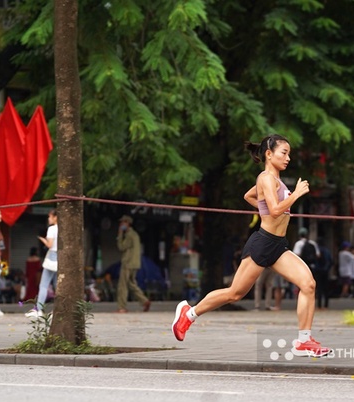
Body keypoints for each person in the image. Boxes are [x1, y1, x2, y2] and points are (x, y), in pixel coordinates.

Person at [171, 134, 333, 357]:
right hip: (262, 244)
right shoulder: (266, 178)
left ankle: (303, 342)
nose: (288, 158)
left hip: (278, 245)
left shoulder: (275, 181)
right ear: (269, 154)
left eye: (289, 154)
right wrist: (294, 195)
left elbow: (249, 196)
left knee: (308, 284)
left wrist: (263, 208)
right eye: (284, 153)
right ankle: (189, 314)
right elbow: (276, 210)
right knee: (235, 294)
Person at [26, 210, 59, 318]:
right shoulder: (65, 229)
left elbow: (50, 244)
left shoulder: (52, 229)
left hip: (51, 257)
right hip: (61, 257)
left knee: (44, 285)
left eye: (50, 217)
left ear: (55, 217)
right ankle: (59, 310)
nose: (49, 219)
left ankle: (39, 310)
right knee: (57, 285)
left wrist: (42, 239)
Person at [116, 215, 151, 313]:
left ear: (127, 223)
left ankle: (121, 307)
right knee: (131, 284)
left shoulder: (129, 235)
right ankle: (144, 301)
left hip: (128, 262)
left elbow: (121, 247)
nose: (121, 224)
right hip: (135, 263)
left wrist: (120, 234)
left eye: (123, 222)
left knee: (122, 285)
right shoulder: (135, 234)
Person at [314, 238, 333, 309]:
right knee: (326, 288)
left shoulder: (317, 250)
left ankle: (319, 305)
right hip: (325, 271)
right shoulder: (327, 251)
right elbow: (331, 261)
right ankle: (326, 304)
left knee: (319, 288)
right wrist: (327, 268)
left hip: (318, 271)